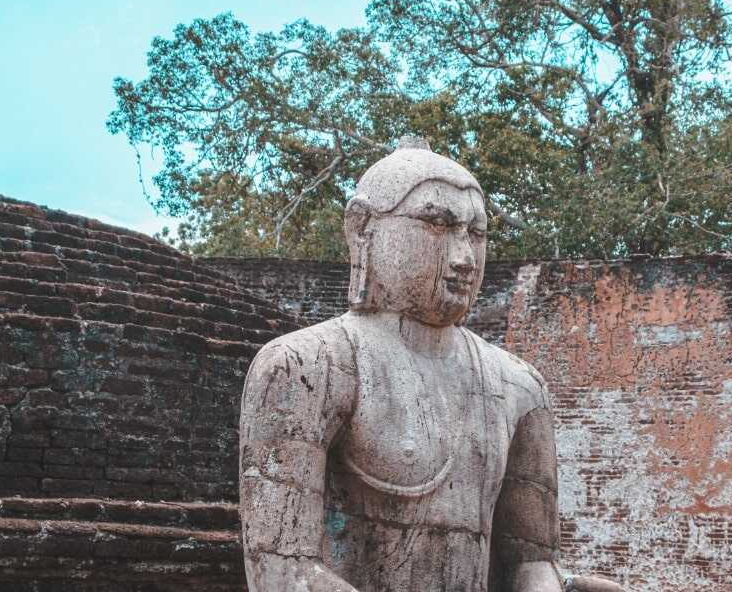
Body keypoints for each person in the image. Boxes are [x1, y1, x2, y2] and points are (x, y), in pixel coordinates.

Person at [239, 137, 624, 592]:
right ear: (362, 229)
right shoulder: (305, 367)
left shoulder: (519, 386)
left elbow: (528, 561)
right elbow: (285, 571)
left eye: (476, 234)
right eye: (437, 224)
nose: (464, 258)